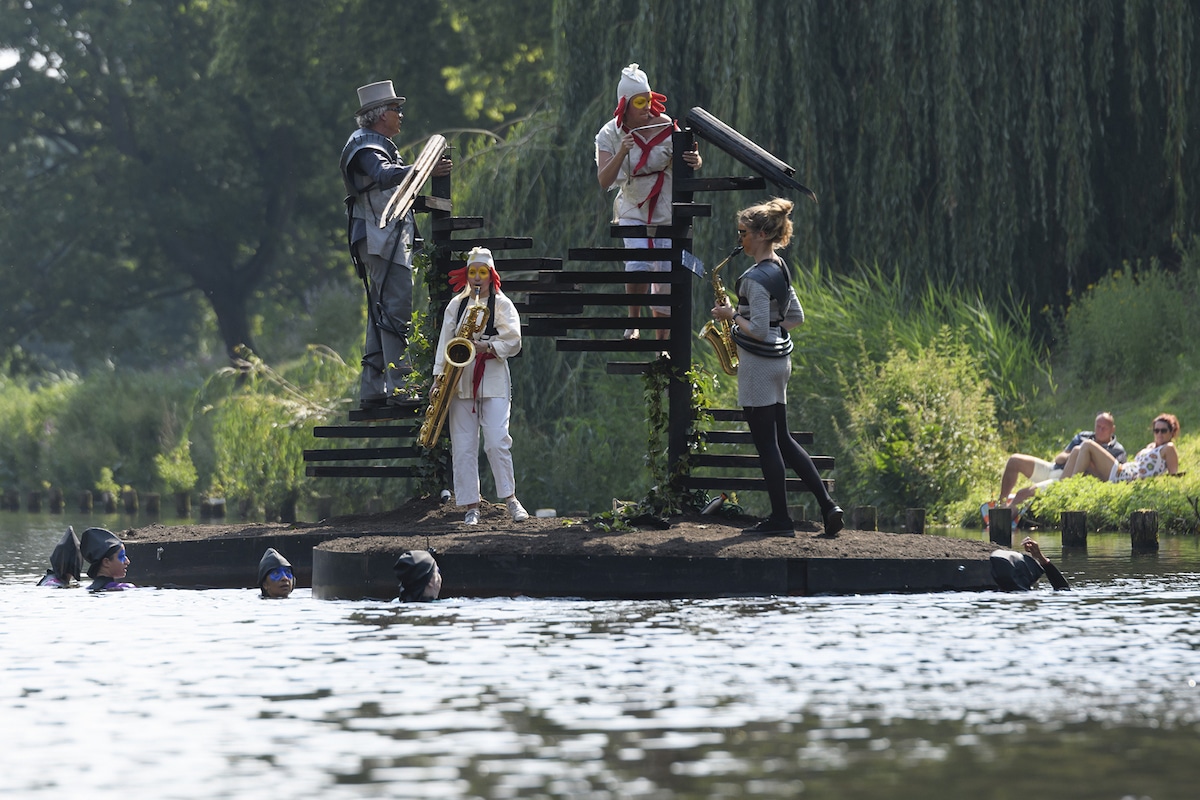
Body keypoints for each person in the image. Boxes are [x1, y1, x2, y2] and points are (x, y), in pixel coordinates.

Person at [709, 198, 844, 538]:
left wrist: (731, 316)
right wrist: (759, 318)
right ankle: (828, 506)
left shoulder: (753, 279)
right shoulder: (779, 267)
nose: (739, 239)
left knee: (767, 444)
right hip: (781, 363)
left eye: (743, 233)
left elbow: (758, 330)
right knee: (782, 439)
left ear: (762, 233)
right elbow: (796, 317)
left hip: (757, 366)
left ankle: (781, 520)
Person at [340, 79, 452, 409]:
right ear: (379, 115)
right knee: (396, 310)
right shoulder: (365, 144)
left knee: (381, 313)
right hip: (379, 238)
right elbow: (386, 174)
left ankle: (373, 388)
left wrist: (420, 171)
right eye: (395, 109)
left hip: (382, 238)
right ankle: (402, 388)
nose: (401, 115)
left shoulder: (374, 141)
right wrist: (425, 167)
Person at [595, 63, 702, 341]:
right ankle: (633, 324)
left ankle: (662, 344)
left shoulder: (667, 126)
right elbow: (604, 180)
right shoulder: (609, 134)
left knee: (665, 274)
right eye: (639, 102)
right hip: (632, 204)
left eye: (649, 100)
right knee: (638, 261)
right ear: (625, 105)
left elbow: (688, 161)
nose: (646, 107)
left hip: (664, 205)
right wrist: (622, 151)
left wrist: (695, 160)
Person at [432, 246, 529, 525]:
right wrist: (439, 378)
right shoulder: (456, 305)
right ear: (466, 275)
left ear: (491, 276)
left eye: (482, 273)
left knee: (497, 441)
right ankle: (471, 506)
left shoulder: (502, 304)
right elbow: (444, 344)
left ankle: (510, 499)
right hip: (458, 381)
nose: (476, 278)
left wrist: (487, 345)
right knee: (463, 447)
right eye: (472, 272)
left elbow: (514, 341)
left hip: (494, 380)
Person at [997, 412, 1126, 508]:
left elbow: (1110, 476)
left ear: (1112, 429)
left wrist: (1086, 458)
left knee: (1022, 494)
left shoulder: (1116, 450)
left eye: (1104, 428)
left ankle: (1003, 521)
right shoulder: (1084, 437)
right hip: (1056, 468)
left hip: (1066, 478)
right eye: (1098, 426)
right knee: (1014, 460)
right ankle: (1001, 504)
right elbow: (1059, 458)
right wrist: (1078, 455)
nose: (1100, 430)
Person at [1060, 413, 1179, 483]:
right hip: (1123, 472)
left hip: (1123, 475)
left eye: (1163, 431)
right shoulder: (1151, 446)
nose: (1159, 434)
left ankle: (1071, 486)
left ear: (1171, 432)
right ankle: (1060, 487)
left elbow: (1173, 476)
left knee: (1087, 445)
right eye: (1156, 430)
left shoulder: (1169, 447)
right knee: (1076, 450)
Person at [990, 537, 1071, 591]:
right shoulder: (1029, 595)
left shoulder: (993, 593)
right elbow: (1063, 588)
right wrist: (1042, 559)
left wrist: (1040, 557)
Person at [80, 527, 135, 592]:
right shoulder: (126, 588)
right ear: (106, 562)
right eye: (122, 557)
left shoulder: (88, 589)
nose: (127, 561)